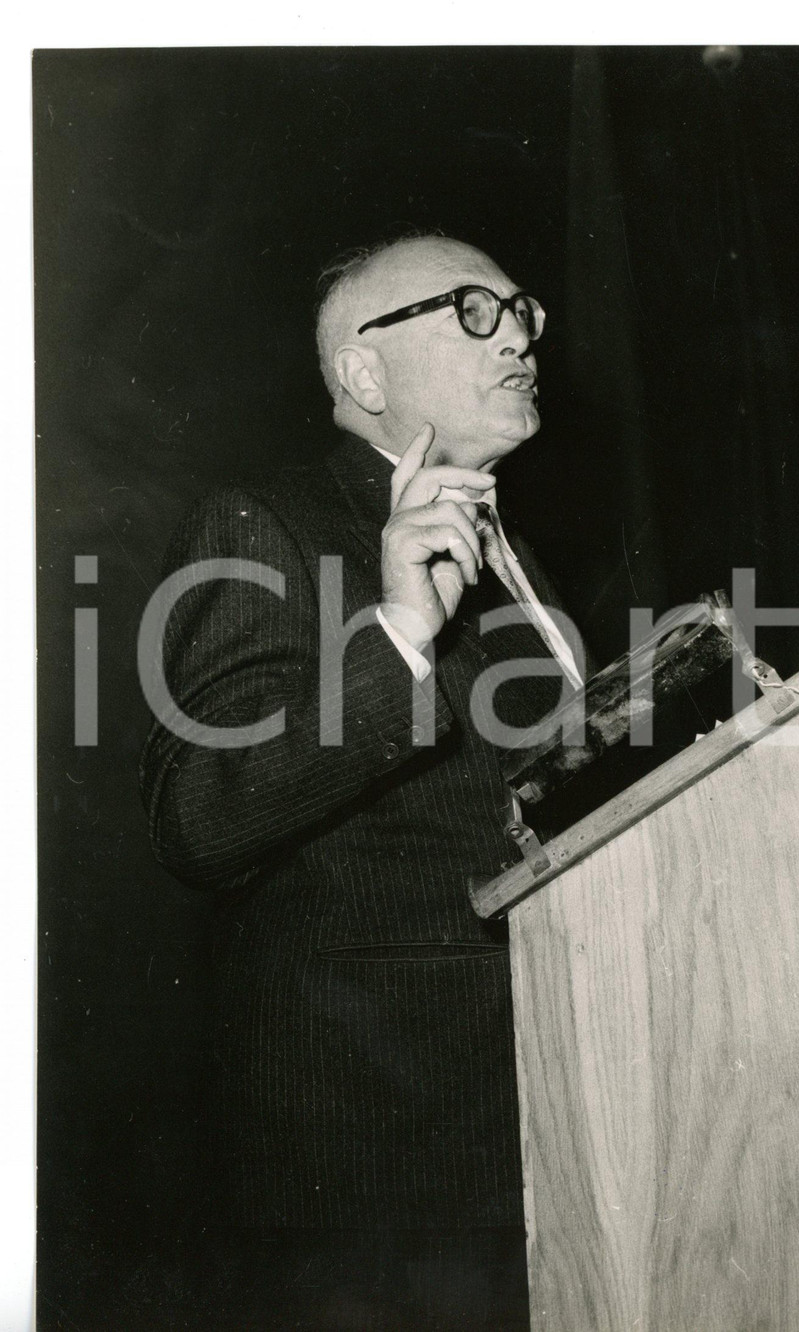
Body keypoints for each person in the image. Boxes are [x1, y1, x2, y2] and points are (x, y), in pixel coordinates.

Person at [139, 234, 586, 1330]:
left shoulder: (523, 556)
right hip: (379, 1144)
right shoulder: (265, 524)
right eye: (471, 311)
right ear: (363, 372)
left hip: (554, 1103)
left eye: (520, 309)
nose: (519, 333)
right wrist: (395, 635)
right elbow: (199, 813)